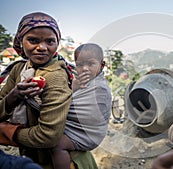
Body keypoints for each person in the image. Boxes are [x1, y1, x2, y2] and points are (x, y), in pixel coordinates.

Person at [0, 12, 83, 169]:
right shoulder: (19, 69)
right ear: (20, 41)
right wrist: (13, 97)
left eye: (50, 41)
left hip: (59, 160)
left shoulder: (55, 76)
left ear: (57, 43)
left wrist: (8, 132)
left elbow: (48, 136)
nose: (42, 48)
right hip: (31, 155)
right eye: (33, 40)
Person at [51, 43, 112, 169]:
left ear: (102, 65)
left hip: (89, 133)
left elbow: (92, 113)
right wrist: (73, 88)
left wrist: (71, 91)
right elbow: (73, 98)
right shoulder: (79, 81)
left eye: (90, 64)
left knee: (57, 145)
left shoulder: (100, 87)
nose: (84, 68)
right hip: (77, 127)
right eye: (79, 64)